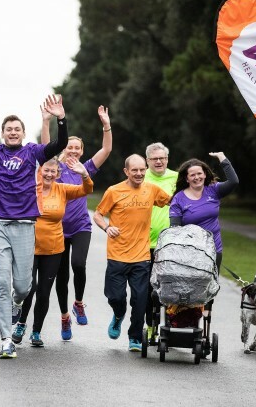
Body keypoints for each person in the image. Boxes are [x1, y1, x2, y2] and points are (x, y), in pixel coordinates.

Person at [0, 76, 68, 358]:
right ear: (3, 132)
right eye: (8, 129)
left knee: (23, 285)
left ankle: (17, 307)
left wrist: (61, 120)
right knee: (3, 282)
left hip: (25, 225)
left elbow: (59, 145)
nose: (13, 133)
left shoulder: (33, 152)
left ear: (22, 132)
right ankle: (6, 339)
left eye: (17, 129)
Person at [40, 103, 112, 337]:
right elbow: (45, 146)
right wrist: (47, 121)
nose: (72, 150)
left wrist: (106, 126)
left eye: (77, 148)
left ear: (81, 151)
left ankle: (78, 302)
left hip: (80, 226)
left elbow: (106, 150)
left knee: (78, 265)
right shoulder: (55, 167)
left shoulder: (87, 167)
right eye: (69, 146)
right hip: (57, 229)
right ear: (64, 149)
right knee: (61, 275)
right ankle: (64, 317)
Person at [93, 154, 170, 353]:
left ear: (146, 169)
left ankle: (135, 337)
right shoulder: (114, 191)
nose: (139, 173)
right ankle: (118, 315)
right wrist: (106, 227)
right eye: (134, 170)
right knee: (115, 297)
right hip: (117, 255)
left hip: (142, 256)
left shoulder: (152, 189)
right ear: (126, 171)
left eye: (142, 169)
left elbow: (172, 201)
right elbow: (98, 214)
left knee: (140, 299)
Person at [13, 157, 93, 346]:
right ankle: (21, 324)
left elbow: (86, 189)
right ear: (40, 171)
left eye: (53, 171)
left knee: (43, 292)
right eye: (46, 170)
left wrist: (84, 174)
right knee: (28, 289)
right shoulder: (30, 189)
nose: (49, 174)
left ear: (58, 174)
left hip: (54, 249)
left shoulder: (63, 190)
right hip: (29, 247)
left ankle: (36, 332)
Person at [169, 152, 239, 312]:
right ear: (186, 179)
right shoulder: (179, 199)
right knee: (187, 287)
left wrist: (222, 158)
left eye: (199, 173)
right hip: (189, 252)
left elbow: (234, 181)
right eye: (192, 175)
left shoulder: (213, 191)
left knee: (209, 286)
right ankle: (183, 316)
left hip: (214, 249)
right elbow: (175, 229)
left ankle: (204, 320)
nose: (196, 177)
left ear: (205, 174)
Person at [143, 142, 178, 340]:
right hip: (145, 243)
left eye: (162, 158)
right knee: (149, 288)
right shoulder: (140, 176)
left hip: (171, 244)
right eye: (154, 158)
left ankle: (172, 327)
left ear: (167, 159)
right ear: (147, 161)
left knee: (173, 287)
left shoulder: (177, 177)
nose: (159, 161)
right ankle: (150, 326)